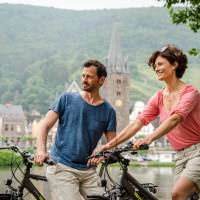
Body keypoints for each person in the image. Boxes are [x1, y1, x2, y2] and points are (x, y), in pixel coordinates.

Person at [96, 44, 200, 200]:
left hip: (197, 151)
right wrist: (109, 145)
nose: (156, 68)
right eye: (154, 65)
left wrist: (148, 138)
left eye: (160, 64)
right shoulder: (158, 97)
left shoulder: (190, 93)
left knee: (178, 194)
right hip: (180, 154)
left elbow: (175, 118)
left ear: (174, 65)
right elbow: (138, 122)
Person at [34, 59, 116, 200]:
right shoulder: (66, 99)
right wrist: (41, 150)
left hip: (89, 171)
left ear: (101, 80)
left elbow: (112, 145)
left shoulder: (108, 111)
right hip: (61, 166)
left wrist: (103, 156)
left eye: (89, 77)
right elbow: (44, 125)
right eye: (83, 76)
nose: (84, 80)